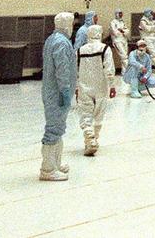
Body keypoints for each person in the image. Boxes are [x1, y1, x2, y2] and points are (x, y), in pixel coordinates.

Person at [39, 12, 77, 181]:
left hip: (53, 91)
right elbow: (62, 69)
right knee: (54, 129)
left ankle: (56, 163)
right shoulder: (61, 42)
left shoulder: (52, 39)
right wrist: (65, 91)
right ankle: (48, 168)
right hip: (58, 93)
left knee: (59, 127)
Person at [75, 24, 116, 156]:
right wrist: (112, 85)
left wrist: (76, 87)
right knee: (99, 114)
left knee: (85, 113)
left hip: (84, 86)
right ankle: (94, 139)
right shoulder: (105, 49)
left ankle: (89, 136)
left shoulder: (80, 50)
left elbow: (75, 71)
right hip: (100, 86)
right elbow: (109, 69)